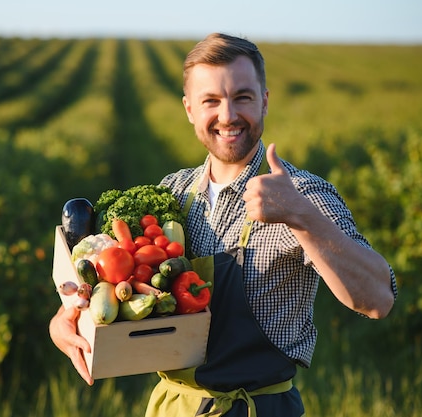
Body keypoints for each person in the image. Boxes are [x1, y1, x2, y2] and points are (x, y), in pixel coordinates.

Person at [49, 32, 397, 416]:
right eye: (210, 100)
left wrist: (301, 216)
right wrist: (66, 321)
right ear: (189, 109)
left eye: (242, 97)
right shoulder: (174, 194)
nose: (228, 115)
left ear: (265, 100)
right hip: (173, 407)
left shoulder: (302, 194)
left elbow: (378, 299)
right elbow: (116, 285)